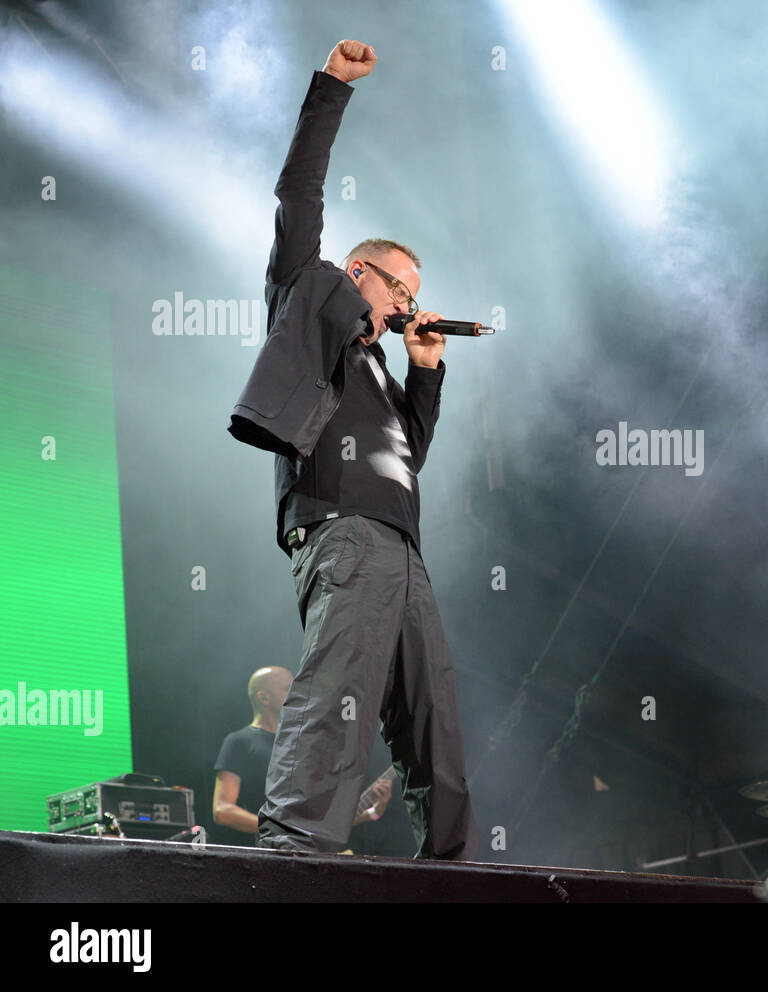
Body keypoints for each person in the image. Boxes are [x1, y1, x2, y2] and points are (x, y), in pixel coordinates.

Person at [227, 40, 478, 860]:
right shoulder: (311, 304)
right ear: (357, 272)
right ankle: (297, 850)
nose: (408, 300)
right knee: (338, 689)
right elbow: (298, 191)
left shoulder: (382, 366)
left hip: (402, 547)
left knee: (434, 721)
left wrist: (427, 372)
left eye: (413, 292)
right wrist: (332, 88)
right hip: (343, 535)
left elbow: (409, 463)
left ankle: (449, 867)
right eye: (397, 285)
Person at [212, 666, 394, 848]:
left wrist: (373, 812)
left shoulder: (305, 743)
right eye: (287, 688)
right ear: (264, 698)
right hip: (267, 854)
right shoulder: (239, 742)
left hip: (310, 856)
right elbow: (222, 810)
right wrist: (279, 829)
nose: (297, 692)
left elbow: (318, 823)